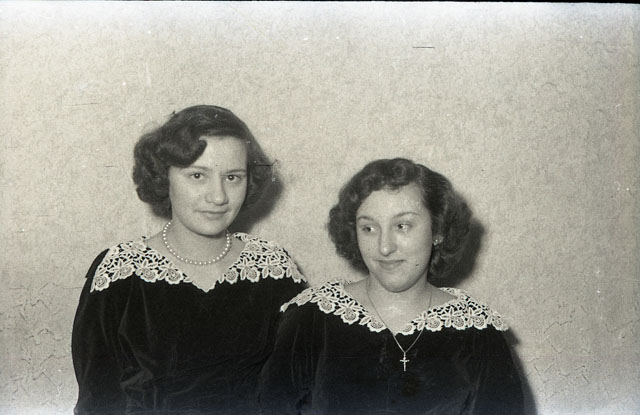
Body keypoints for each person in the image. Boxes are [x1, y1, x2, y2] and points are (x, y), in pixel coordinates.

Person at [72, 105, 306, 414]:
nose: (218, 196)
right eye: (197, 175)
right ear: (163, 177)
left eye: (233, 177)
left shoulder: (274, 270)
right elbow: (97, 403)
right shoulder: (120, 274)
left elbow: (298, 391)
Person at [259, 158, 524, 415]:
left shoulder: (478, 333)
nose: (384, 247)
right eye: (369, 228)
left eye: (402, 225)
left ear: (438, 231)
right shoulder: (311, 318)